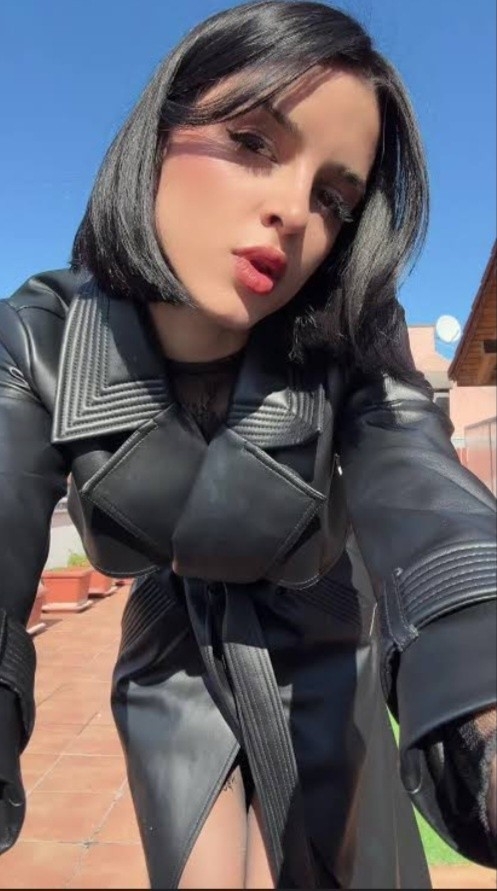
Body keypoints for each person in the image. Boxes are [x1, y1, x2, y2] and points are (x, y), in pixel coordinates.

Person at [0, 1, 495, 887]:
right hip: (170, 643)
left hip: (322, 632)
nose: (292, 211)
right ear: (158, 131)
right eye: (253, 141)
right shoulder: (40, 335)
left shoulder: (348, 333)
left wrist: (479, 672)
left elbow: (417, 481)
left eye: (333, 197)